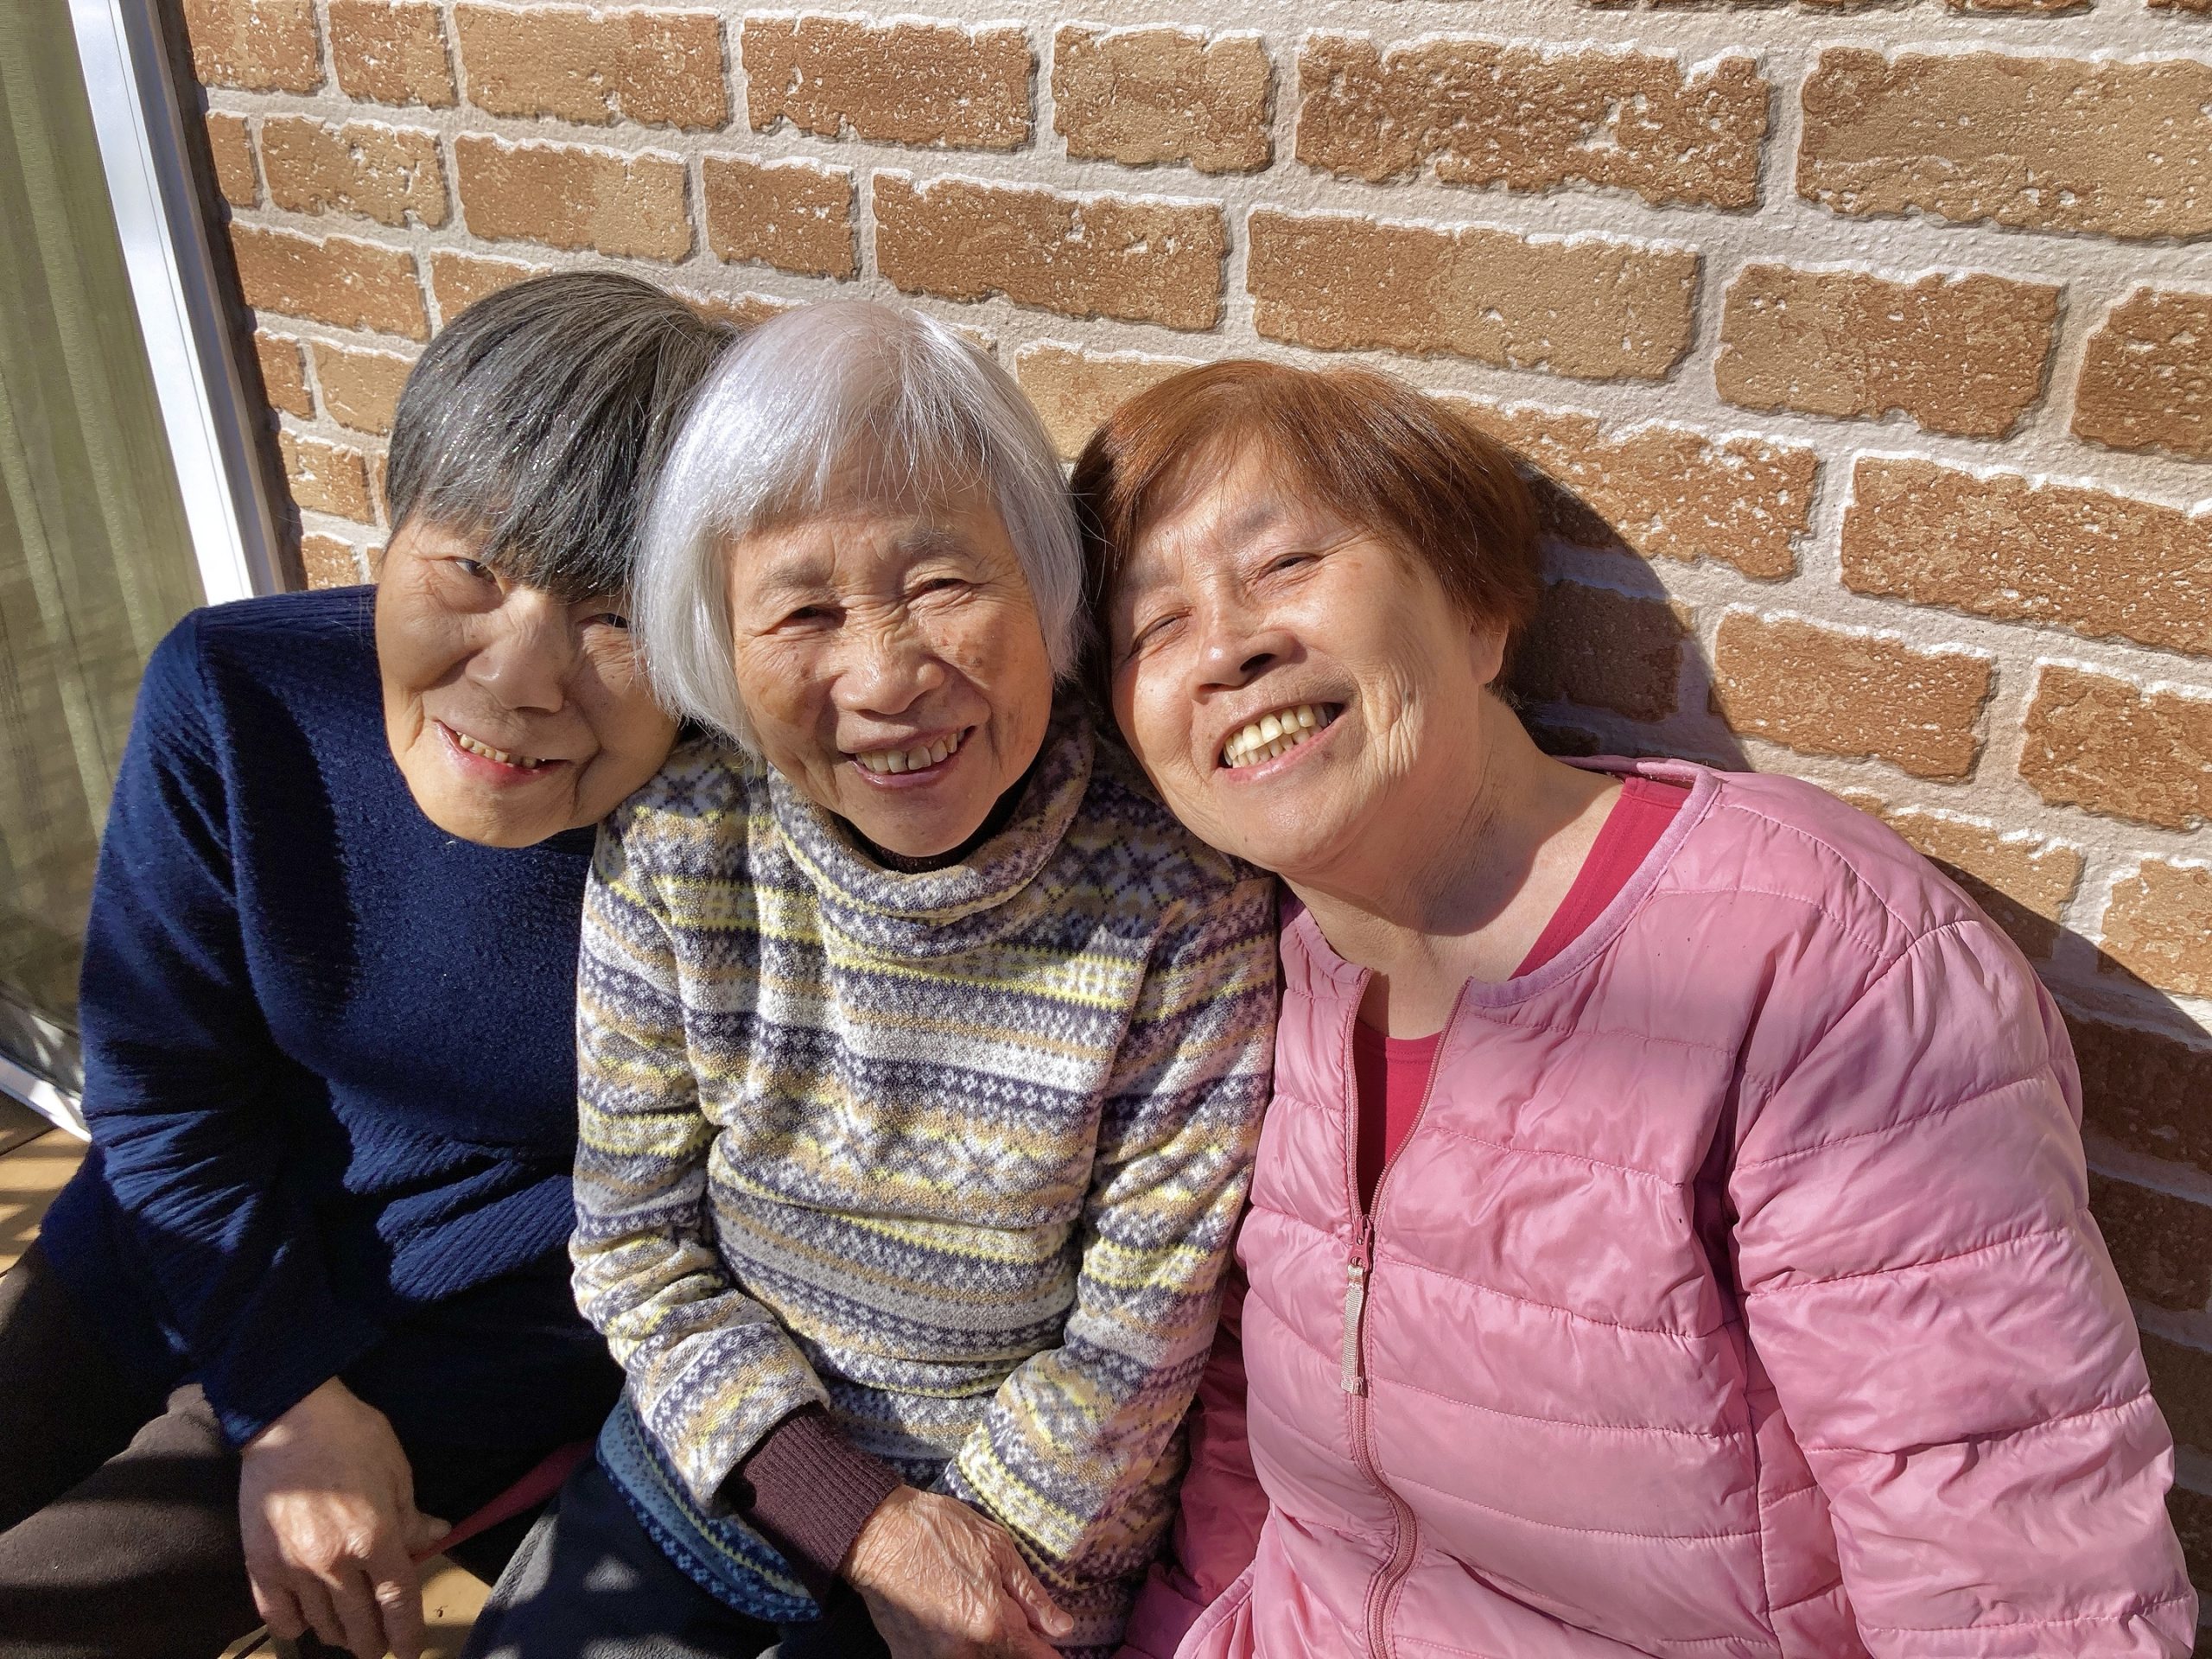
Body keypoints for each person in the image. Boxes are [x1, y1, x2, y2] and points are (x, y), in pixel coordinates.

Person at [1071, 360, 2198, 1659]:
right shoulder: (1253, 964)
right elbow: (1242, 1451)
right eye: (1155, 628)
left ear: (1478, 614)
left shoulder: (1814, 962)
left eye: (1285, 565)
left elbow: (2008, 1559)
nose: (1228, 647)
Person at [462, 302, 1278, 1659]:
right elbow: (633, 1244)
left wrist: (952, 1571)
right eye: (802, 610)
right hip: (720, 1472)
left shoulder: (1180, 898)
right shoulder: (681, 843)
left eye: (943, 583)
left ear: (1046, 587)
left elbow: (1139, 1340)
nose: (888, 677)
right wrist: (860, 1521)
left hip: (1024, 1548)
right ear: (722, 645)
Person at [0, 272, 733, 1659]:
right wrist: (280, 1394)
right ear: (393, 526)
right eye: (474, 570)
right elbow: (162, 1086)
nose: (519, 678)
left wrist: (311, 1422)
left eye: (617, 615)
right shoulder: (242, 698)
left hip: (457, 1351)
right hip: (184, 1242)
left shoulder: (736, 838)